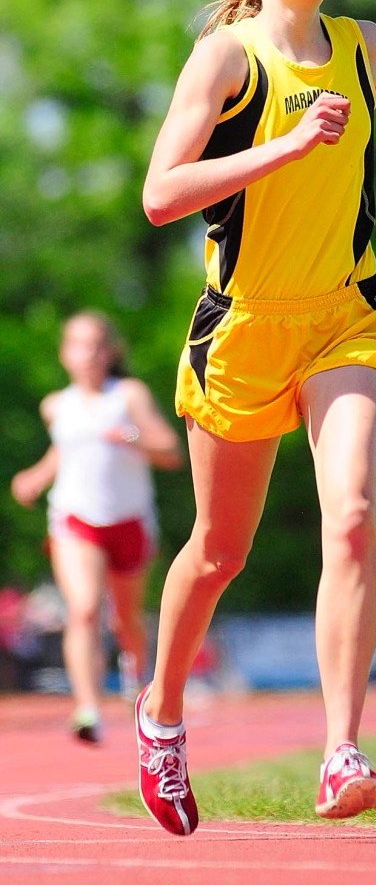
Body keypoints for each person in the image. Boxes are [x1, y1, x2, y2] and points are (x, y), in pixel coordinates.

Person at [134, 0, 376, 834]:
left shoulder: (364, 48)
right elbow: (160, 193)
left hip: (342, 317)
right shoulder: (224, 58)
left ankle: (340, 752)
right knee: (219, 548)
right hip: (241, 326)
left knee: (351, 516)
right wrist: (280, 145)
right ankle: (161, 712)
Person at [11, 310, 184, 743]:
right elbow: (64, 453)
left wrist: (130, 437)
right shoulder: (56, 405)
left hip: (129, 519)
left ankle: (134, 673)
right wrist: (35, 476)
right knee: (84, 609)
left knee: (126, 619)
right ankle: (87, 707)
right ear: (65, 354)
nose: (86, 354)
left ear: (110, 352)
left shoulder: (128, 395)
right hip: (74, 518)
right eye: (77, 345)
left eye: (94, 345)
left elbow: (170, 451)